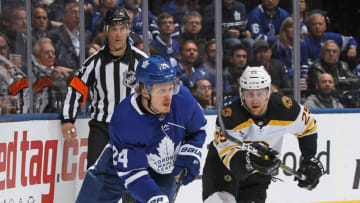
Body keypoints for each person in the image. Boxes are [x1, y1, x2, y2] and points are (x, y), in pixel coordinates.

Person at [76, 56, 207, 202]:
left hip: (161, 168)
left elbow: (198, 130)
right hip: (119, 167)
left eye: (171, 88)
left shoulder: (182, 99)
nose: (168, 97)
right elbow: (133, 173)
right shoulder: (126, 118)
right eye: (162, 90)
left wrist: (191, 151)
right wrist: (152, 197)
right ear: (145, 91)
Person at [202, 66, 324, 203]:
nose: (255, 100)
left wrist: (309, 160)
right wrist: (250, 161)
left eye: (259, 94)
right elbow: (233, 162)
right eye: (250, 94)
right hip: (221, 170)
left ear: (268, 93)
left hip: (258, 176)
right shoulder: (229, 118)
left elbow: (308, 127)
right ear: (242, 94)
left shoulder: (286, 109)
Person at [61, 7, 148, 168]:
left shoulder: (141, 61)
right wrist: (68, 119)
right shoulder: (94, 62)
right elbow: (76, 90)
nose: (118, 34)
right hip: (101, 129)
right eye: (114, 29)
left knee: (134, 177)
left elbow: (156, 91)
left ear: (128, 30)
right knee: (96, 176)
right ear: (107, 31)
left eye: (122, 29)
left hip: (133, 127)